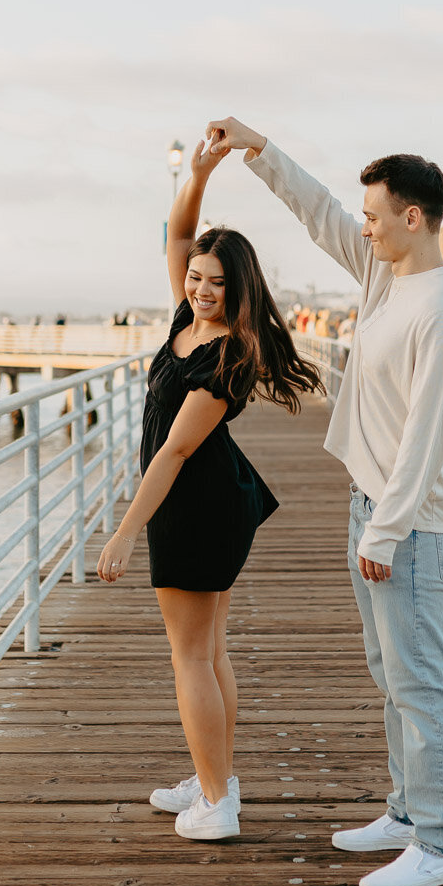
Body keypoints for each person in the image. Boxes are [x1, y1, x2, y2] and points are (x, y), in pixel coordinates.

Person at [207, 117, 443, 886]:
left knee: (420, 681)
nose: (361, 226)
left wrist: (387, 531)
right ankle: (402, 811)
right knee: (388, 671)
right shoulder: (384, 274)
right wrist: (257, 152)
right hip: (372, 506)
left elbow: (427, 440)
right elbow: (320, 210)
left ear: (413, 217)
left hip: (414, 526)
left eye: (374, 215)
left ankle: (436, 843)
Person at [96, 134, 321, 842]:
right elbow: (180, 235)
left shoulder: (227, 353)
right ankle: (212, 772)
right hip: (209, 499)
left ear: (239, 287)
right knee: (209, 649)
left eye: (215, 281)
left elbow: (175, 449)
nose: (199, 287)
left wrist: (126, 530)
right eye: (195, 278)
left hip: (195, 504)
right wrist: (196, 175)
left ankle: (218, 803)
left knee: (190, 654)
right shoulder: (188, 325)